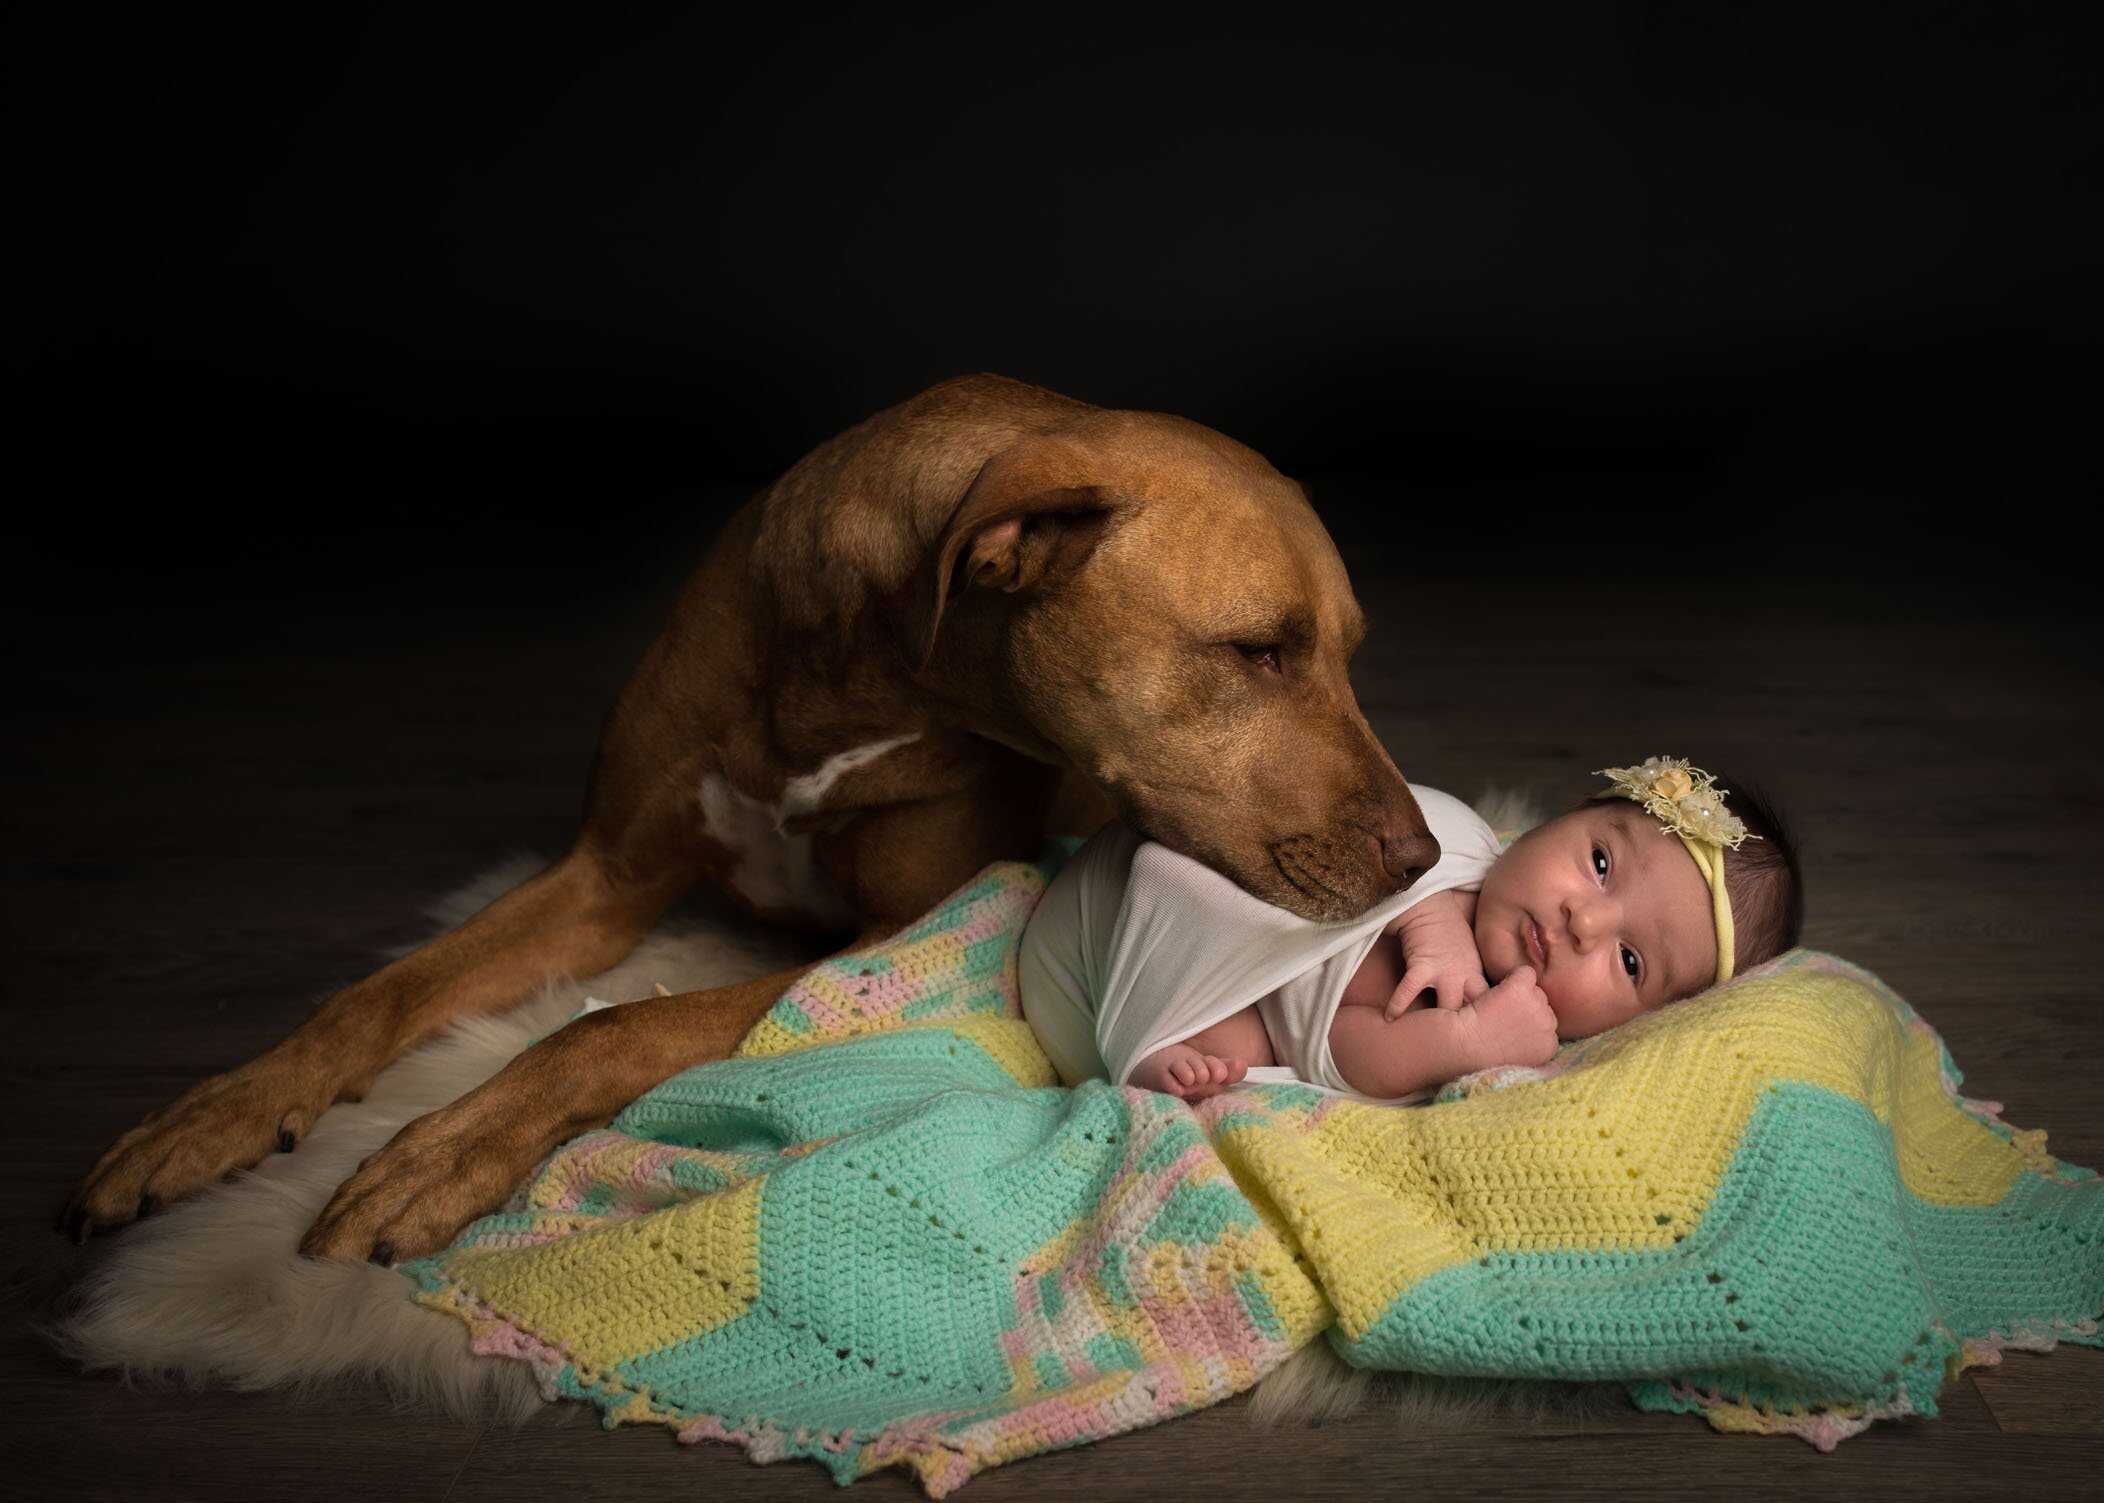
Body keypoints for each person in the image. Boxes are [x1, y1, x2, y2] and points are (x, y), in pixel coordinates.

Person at [1018, 757, 1803, 1104]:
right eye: (1599, 862)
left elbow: (1343, 1048)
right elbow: (1392, 863)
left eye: (1630, 960)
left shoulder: (1497, 1027)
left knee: (1249, 1050)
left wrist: (1464, 1043)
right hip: (1104, 917)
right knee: (1204, 871)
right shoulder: (1448, 835)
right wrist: (1430, 919)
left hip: (1103, 1019)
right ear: (1562, 819)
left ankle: (1161, 1058)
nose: (1582, 921)